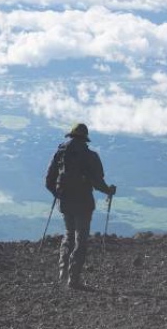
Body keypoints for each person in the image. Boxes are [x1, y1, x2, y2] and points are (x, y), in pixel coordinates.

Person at [46, 123, 116, 289]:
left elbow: (48, 180)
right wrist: (109, 191)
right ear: (85, 138)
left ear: (71, 135)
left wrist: (58, 194)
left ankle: (63, 273)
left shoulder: (60, 153)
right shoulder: (89, 155)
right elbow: (98, 182)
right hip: (83, 203)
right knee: (80, 239)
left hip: (64, 202)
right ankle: (73, 279)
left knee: (69, 234)